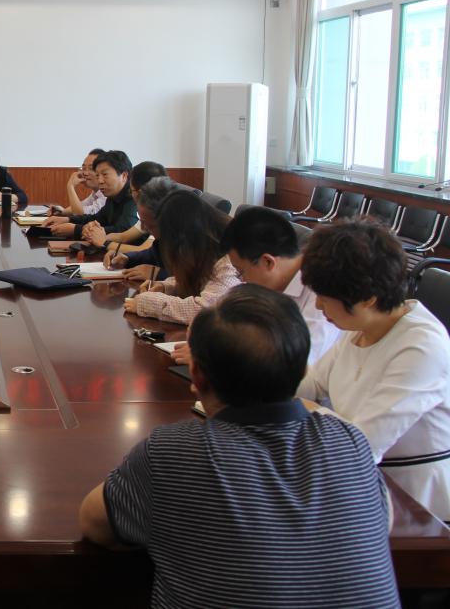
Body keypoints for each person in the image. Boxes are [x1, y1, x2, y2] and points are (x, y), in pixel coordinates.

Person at [80, 285, 399, 608]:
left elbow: (95, 524)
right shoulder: (350, 441)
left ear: (196, 374)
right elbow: (380, 524)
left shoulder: (172, 453)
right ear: (302, 370)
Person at [297, 218, 450, 521]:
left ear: (367, 299)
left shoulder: (422, 347)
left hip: (416, 504)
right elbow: (312, 385)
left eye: (324, 299)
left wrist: (306, 409)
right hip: (358, 479)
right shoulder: (361, 326)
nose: (318, 307)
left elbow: (365, 443)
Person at [221, 206, 340, 363]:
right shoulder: (275, 285)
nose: (242, 280)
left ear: (268, 262)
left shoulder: (320, 294)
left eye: (241, 271)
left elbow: (301, 362)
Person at [124, 190, 239, 324]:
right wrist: (166, 287)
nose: (144, 228)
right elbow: (201, 280)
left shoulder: (229, 259)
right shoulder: (202, 248)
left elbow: (205, 311)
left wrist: (148, 304)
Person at [42, 150, 136, 240]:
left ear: (124, 176)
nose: (100, 181)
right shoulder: (112, 197)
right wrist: (68, 220)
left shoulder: (134, 197)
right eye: (98, 175)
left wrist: (76, 229)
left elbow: (123, 231)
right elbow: (96, 218)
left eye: (105, 174)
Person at [107, 176, 180, 280]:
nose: (143, 228)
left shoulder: (193, 239)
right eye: (141, 221)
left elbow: (198, 279)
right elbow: (151, 254)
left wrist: (158, 274)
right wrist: (127, 258)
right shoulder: (166, 237)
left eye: (150, 225)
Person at [100, 161, 168, 254]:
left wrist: (105, 243)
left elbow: (144, 250)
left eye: (131, 191)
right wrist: (99, 236)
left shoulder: (167, 212)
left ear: (140, 192)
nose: (131, 195)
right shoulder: (153, 208)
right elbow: (124, 237)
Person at [57, 149, 106, 216]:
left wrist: (70, 186)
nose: (85, 173)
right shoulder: (95, 192)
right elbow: (79, 207)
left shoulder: (107, 195)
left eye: (91, 169)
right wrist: (60, 212)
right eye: (84, 168)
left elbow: (79, 213)